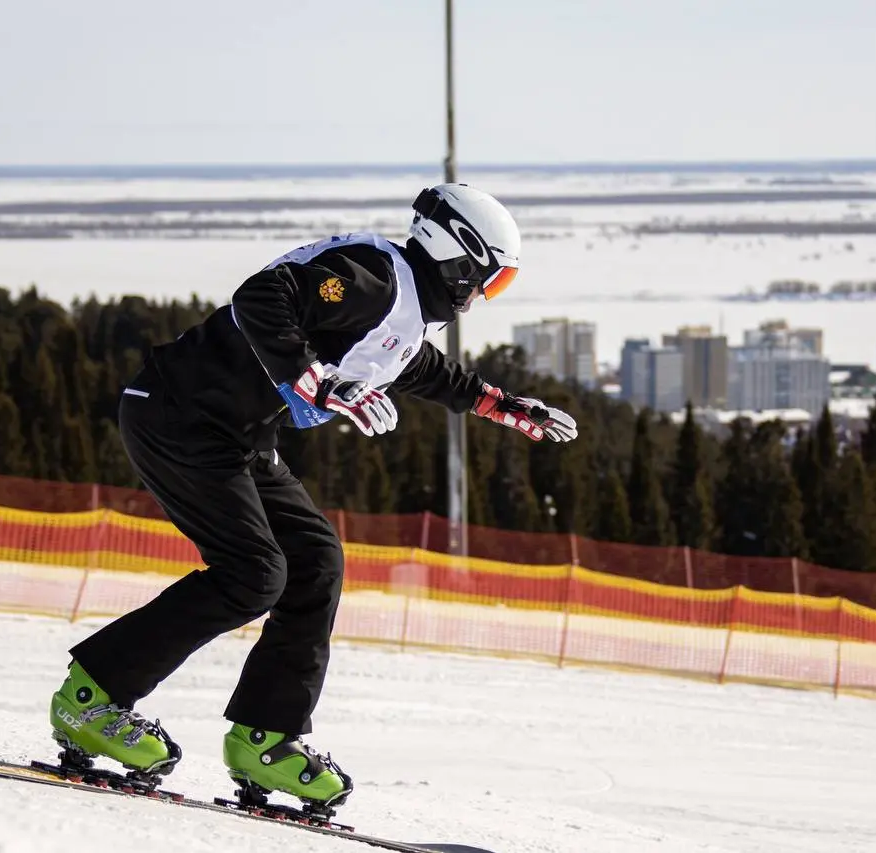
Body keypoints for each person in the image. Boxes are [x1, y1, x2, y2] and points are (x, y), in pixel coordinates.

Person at [47, 183, 579, 813]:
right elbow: (262, 297)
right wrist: (312, 379)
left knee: (316, 560)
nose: (483, 296)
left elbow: (414, 365)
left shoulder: (403, 304)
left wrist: (499, 404)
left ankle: (266, 738)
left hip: (236, 435)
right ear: (459, 256)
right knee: (253, 575)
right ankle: (92, 697)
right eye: (491, 281)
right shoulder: (372, 276)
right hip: (179, 414)